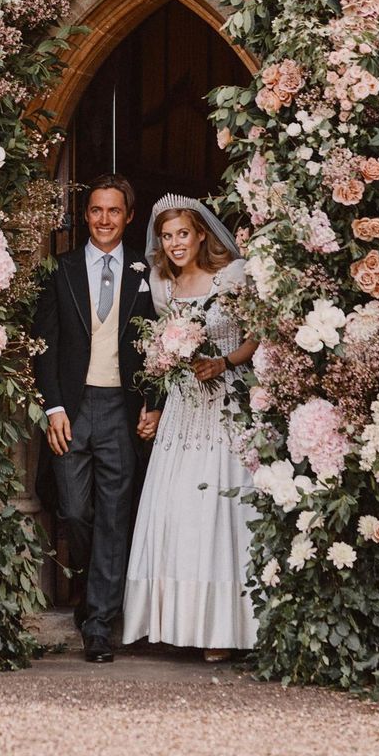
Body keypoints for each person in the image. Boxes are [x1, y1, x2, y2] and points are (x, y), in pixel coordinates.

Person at [122, 193, 259, 660]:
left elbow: (256, 334)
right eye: (167, 236)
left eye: (183, 233)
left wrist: (223, 361)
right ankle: (177, 622)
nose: (176, 243)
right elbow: (163, 357)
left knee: (221, 512)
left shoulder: (232, 276)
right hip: (182, 409)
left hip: (226, 403)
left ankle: (223, 629)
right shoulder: (163, 286)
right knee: (178, 510)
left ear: (202, 234)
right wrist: (156, 404)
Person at [33, 173, 161, 663]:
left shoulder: (145, 273)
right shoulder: (61, 269)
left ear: (128, 216)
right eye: (95, 211)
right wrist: (53, 406)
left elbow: (159, 347)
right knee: (73, 511)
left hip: (121, 409)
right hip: (73, 406)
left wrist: (152, 402)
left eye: (114, 211)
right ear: (85, 216)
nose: (104, 220)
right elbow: (43, 345)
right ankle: (90, 591)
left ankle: (100, 624)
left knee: (114, 516)